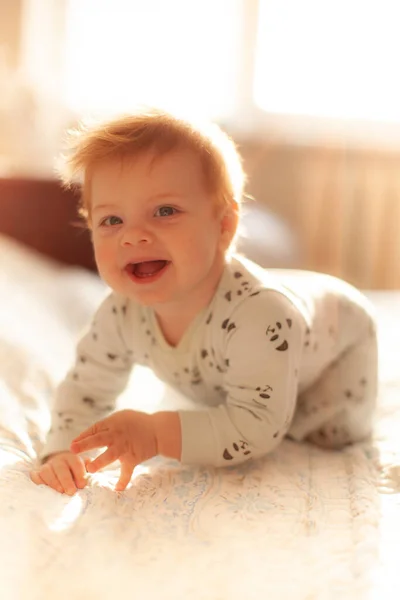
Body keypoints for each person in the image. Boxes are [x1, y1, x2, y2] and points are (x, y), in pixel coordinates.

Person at [30, 108, 378, 496]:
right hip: (246, 353)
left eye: (165, 211)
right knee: (205, 406)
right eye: (112, 220)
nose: (132, 236)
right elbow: (86, 388)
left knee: (325, 435)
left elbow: (257, 428)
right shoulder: (120, 311)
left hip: (339, 343)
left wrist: (157, 433)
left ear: (224, 226)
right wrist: (62, 451)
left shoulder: (261, 315)